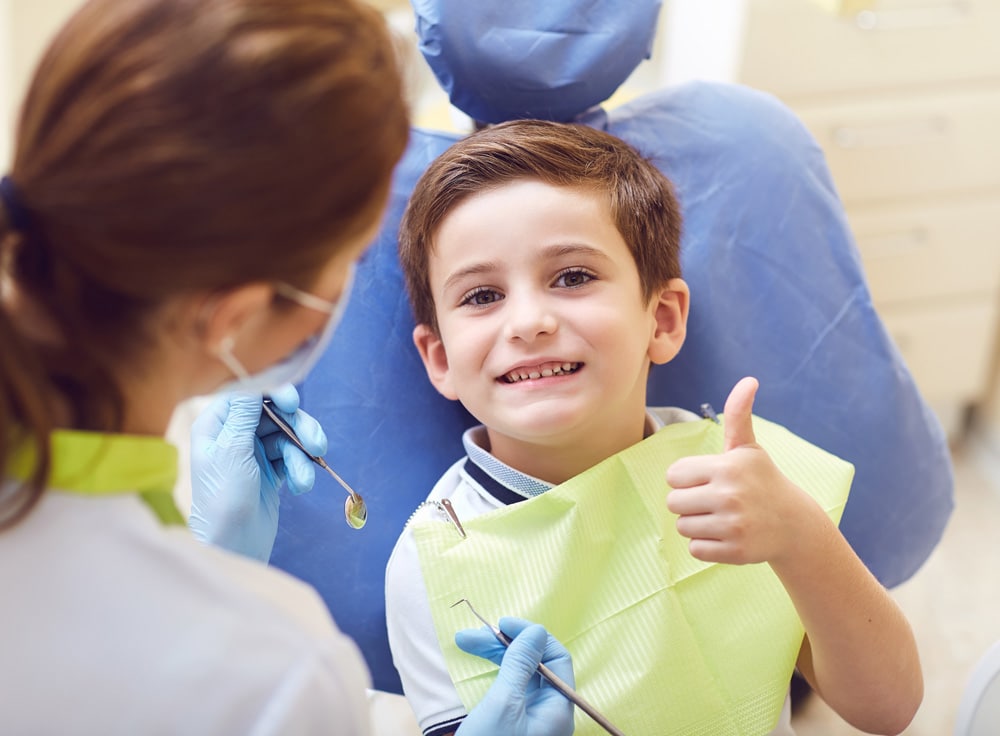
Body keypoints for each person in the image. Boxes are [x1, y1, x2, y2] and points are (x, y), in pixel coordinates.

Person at [0, 0, 576, 733]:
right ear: (232, 318)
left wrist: (202, 562)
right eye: (349, 262)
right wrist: (210, 591)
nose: (530, 323)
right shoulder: (274, 672)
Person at [385, 119, 924, 736]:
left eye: (573, 277)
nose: (529, 321)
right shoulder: (434, 566)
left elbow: (890, 708)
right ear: (441, 359)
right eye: (482, 295)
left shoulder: (746, 480)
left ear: (662, 318)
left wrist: (802, 538)